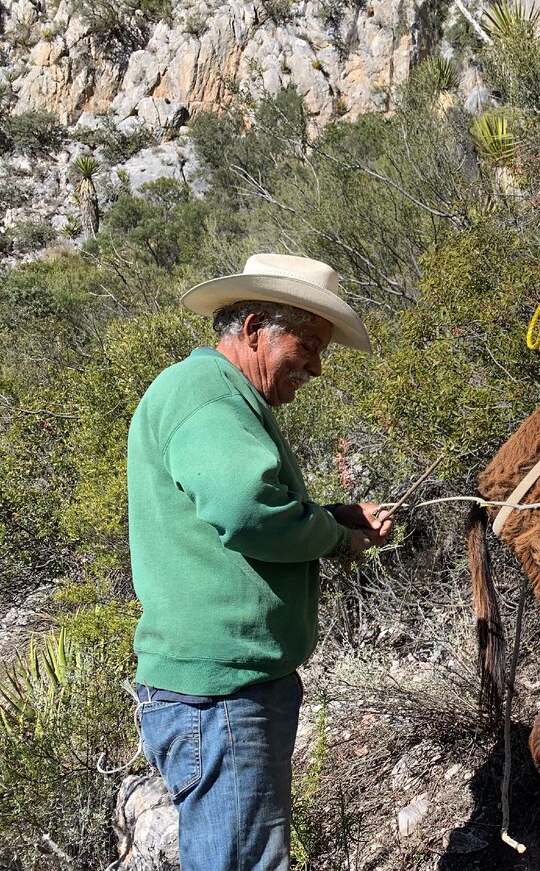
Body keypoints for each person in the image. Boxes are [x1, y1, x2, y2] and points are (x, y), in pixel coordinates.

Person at [127, 254, 394, 870]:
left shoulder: (209, 396)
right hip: (224, 694)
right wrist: (333, 536)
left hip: (221, 690)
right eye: (309, 345)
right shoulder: (209, 398)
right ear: (254, 329)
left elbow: (234, 511)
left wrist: (331, 515)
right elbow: (246, 510)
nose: (316, 367)